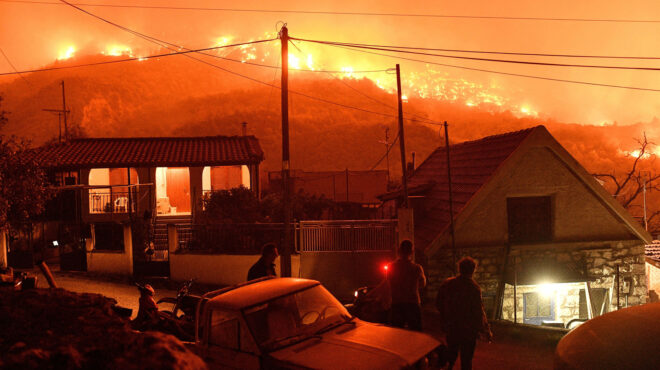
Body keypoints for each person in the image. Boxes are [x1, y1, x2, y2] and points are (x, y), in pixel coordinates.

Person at [436, 256, 493, 370]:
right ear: (473, 270)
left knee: (451, 355)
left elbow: (438, 303)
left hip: (451, 326)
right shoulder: (474, 288)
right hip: (468, 330)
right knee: (466, 360)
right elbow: (478, 311)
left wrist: (445, 318)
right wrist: (485, 329)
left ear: (459, 268)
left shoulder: (448, 284)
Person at [387, 239, 426, 331]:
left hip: (397, 302)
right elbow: (422, 284)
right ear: (411, 252)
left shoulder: (391, 267)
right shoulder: (417, 268)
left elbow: (388, 283)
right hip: (412, 303)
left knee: (397, 333)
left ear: (399, 251)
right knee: (416, 333)